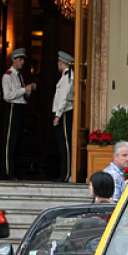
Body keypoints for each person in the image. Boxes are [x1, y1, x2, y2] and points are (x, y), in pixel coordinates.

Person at [1, 48, 35, 181]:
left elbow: (23, 95)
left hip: (20, 107)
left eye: (23, 59)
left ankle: (16, 171)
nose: (23, 62)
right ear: (13, 60)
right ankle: (8, 171)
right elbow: (8, 96)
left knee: (18, 141)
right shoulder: (8, 76)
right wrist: (23, 90)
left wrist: (29, 89)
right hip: (12, 108)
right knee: (10, 141)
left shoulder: (19, 76)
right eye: (20, 59)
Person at [51, 51, 75, 183]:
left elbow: (65, 97)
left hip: (65, 113)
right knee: (63, 145)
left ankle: (66, 174)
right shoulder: (66, 76)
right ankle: (65, 173)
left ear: (61, 63)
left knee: (65, 145)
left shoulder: (67, 77)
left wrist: (58, 115)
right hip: (63, 113)